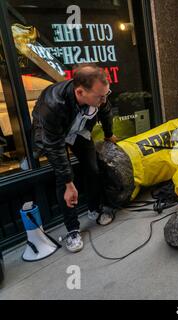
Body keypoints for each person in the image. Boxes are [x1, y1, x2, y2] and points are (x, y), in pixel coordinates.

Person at [31, 64, 118, 253]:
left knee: (93, 169)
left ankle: (94, 209)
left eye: (106, 94)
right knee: (64, 181)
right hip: (55, 134)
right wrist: (69, 183)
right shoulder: (52, 104)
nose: (104, 100)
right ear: (80, 92)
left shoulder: (98, 95)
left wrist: (109, 134)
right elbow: (53, 146)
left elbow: (105, 111)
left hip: (78, 130)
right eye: (100, 96)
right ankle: (72, 230)